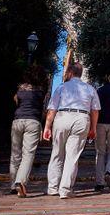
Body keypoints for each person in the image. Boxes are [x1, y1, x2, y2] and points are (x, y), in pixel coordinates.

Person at [42, 62, 99, 199]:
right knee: (72, 156)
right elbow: (95, 110)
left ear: (71, 72)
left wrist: (47, 127)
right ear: (80, 73)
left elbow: (52, 109)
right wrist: (93, 128)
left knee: (57, 153)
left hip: (62, 117)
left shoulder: (61, 87)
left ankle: (52, 187)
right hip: (81, 118)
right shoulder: (90, 89)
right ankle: (65, 189)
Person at [10, 71, 46, 198]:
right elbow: (42, 108)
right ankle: (21, 181)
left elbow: (16, 102)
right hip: (33, 121)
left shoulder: (19, 91)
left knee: (15, 154)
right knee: (28, 154)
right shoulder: (40, 92)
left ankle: (13, 185)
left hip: (18, 120)